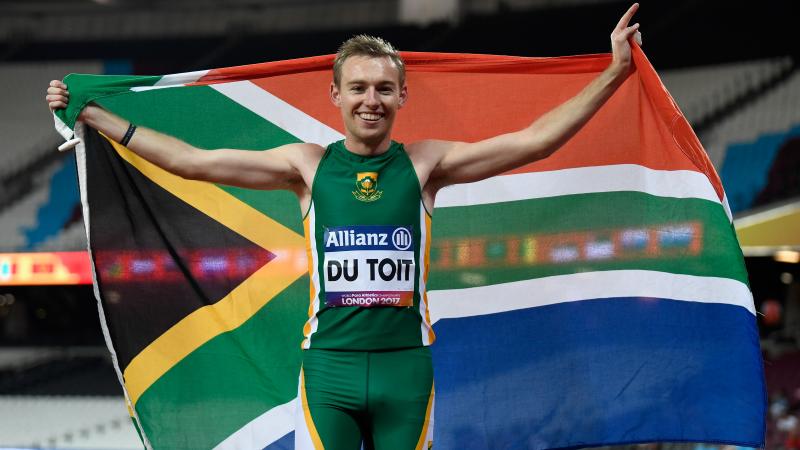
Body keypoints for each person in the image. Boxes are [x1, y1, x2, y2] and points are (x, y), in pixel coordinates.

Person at [46, 4, 642, 449]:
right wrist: (94, 113)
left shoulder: (425, 165)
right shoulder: (306, 165)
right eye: (358, 87)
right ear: (335, 94)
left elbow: (535, 142)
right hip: (326, 372)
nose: (371, 99)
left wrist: (615, 72)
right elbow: (193, 163)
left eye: (384, 88)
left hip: (406, 373)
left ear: (403, 95)